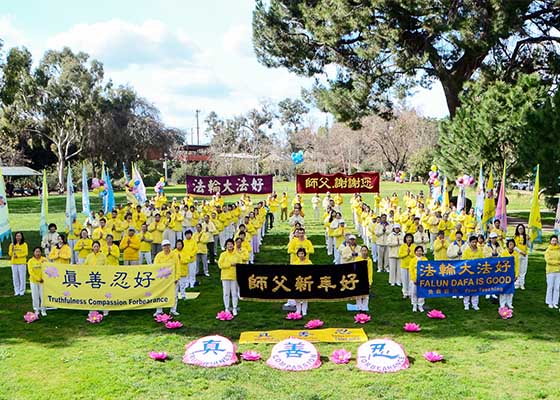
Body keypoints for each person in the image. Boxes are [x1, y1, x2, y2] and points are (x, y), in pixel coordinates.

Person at [153, 239, 180, 317]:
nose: (166, 247)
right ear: (162, 247)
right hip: (162, 279)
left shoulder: (174, 255)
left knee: (174, 295)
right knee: (160, 294)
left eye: (168, 245)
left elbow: (177, 266)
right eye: (165, 246)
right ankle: (159, 310)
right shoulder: (158, 256)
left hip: (172, 279)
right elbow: (155, 267)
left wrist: (177, 278)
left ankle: (173, 310)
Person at [218, 238, 240, 316]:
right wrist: (230, 265)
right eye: (228, 244)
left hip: (234, 276)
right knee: (226, 293)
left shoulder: (237, 254)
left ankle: (234, 308)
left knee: (234, 293)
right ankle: (226, 308)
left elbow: (240, 264)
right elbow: (220, 265)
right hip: (225, 276)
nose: (229, 246)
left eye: (231, 244)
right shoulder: (223, 254)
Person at [462, 235, 483, 310]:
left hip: (476, 272)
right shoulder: (466, 251)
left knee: (476, 288)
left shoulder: (479, 250)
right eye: (473, 242)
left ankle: (475, 304)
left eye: (475, 242)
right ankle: (466, 304)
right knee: (467, 288)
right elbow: (463, 261)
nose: (474, 244)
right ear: (470, 243)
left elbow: (481, 261)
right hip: (468, 272)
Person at [500, 239, 519, 309]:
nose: (511, 245)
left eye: (512, 244)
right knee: (504, 288)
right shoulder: (504, 253)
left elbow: (517, 264)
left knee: (511, 289)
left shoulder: (516, 254)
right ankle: (502, 303)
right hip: (505, 273)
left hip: (512, 273)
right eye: (510, 244)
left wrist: (516, 274)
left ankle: (509, 302)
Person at [28, 247, 47, 317]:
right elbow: (31, 272)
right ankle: (36, 310)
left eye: (39, 252)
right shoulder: (30, 261)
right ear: (34, 252)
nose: (38, 253)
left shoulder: (44, 259)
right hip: (34, 281)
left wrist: (43, 278)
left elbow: (48, 269)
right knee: (35, 296)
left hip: (43, 281)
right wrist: (38, 279)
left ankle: (43, 310)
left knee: (43, 296)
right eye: (36, 252)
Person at [293, 248, 312, 316]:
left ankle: (304, 310)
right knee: (297, 297)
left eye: (302, 253)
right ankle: (298, 310)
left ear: (305, 254)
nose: (301, 255)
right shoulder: (295, 263)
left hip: (306, 281)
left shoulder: (309, 262)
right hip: (298, 281)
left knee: (305, 297)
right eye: (299, 253)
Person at [408, 245, 427, 312]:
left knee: (422, 292)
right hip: (415, 279)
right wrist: (414, 279)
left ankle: (420, 305)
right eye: (418, 251)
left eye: (420, 251)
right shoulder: (413, 260)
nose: (419, 252)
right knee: (414, 292)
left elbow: (427, 269)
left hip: (422, 279)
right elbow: (411, 270)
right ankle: (414, 305)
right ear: (415, 252)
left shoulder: (425, 259)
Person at [9, 231, 28, 296]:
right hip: (14, 263)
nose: (18, 237)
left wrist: (18, 255)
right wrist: (12, 250)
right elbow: (10, 253)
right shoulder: (12, 245)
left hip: (22, 263)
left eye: (19, 236)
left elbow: (25, 253)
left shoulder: (24, 244)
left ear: (22, 237)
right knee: (15, 277)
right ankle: (16, 291)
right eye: (17, 236)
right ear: (15, 237)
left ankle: (22, 291)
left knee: (22, 277)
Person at [354, 245, 373, 311]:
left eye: (365, 250)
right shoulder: (357, 259)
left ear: (367, 251)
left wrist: (370, 282)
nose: (364, 252)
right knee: (358, 295)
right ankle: (359, 308)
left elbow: (370, 272)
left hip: (366, 280)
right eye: (362, 251)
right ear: (360, 251)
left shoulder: (369, 260)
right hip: (358, 279)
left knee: (365, 296)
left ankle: (364, 308)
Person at [544, 235, 560, 309]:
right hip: (550, 271)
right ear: (550, 241)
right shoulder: (548, 250)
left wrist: (556, 262)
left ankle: (555, 302)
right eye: (553, 240)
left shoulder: (559, 250)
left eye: (555, 240)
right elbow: (548, 261)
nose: (554, 242)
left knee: (557, 287)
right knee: (550, 287)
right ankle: (549, 302)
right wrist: (557, 262)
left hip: (558, 271)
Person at [397, 233, 415, 298]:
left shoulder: (414, 246)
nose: (409, 239)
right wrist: (406, 253)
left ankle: (410, 293)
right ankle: (405, 292)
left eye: (410, 238)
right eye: (407, 238)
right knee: (404, 280)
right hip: (404, 265)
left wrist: (410, 253)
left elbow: (415, 255)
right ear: (405, 239)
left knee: (411, 280)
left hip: (411, 265)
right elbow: (400, 255)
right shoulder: (402, 246)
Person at [513, 224, 530, 290]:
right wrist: (520, 252)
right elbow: (514, 246)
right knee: (518, 269)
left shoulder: (526, 236)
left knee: (523, 270)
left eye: (522, 228)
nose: (520, 230)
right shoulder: (515, 237)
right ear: (517, 229)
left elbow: (529, 245)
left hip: (525, 255)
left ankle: (522, 283)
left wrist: (528, 240)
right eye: (519, 228)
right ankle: (517, 283)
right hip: (518, 255)